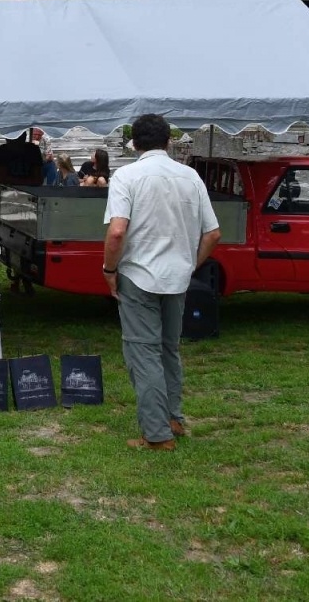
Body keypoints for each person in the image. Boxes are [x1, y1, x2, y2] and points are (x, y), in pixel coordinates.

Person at [102, 114, 221, 452]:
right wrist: (190, 265)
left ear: (134, 144)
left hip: (138, 274)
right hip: (176, 275)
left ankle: (157, 434)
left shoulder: (127, 176)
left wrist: (109, 270)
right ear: (168, 141)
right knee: (169, 349)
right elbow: (212, 234)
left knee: (144, 353)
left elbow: (117, 231)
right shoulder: (190, 176)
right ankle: (173, 418)